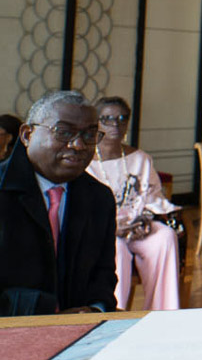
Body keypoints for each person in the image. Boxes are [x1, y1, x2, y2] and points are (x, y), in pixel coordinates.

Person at [0, 91, 117, 315]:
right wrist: (47, 315)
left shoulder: (99, 198)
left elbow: (103, 276)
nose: (78, 145)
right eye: (63, 132)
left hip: (81, 333)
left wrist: (94, 309)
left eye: (89, 135)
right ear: (27, 135)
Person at [86, 96, 181, 311]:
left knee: (165, 236)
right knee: (115, 247)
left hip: (137, 225)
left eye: (121, 118)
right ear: (96, 122)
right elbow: (80, 208)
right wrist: (111, 228)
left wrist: (146, 219)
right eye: (107, 119)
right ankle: (112, 313)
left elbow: (153, 196)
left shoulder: (140, 158)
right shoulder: (84, 160)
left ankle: (163, 312)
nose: (115, 125)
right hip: (103, 231)